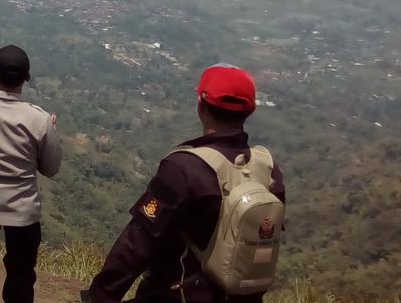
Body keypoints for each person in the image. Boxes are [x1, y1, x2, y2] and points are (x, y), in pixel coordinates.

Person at [86, 64, 285, 303]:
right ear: (249, 111)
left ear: (201, 105)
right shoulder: (268, 169)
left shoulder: (184, 168)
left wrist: (101, 295)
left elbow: (137, 243)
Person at [0, 45, 62, 303]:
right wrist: (51, 133)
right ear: (26, 78)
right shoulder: (39, 120)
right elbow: (50, 169)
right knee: (20, 276)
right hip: (23, 211)